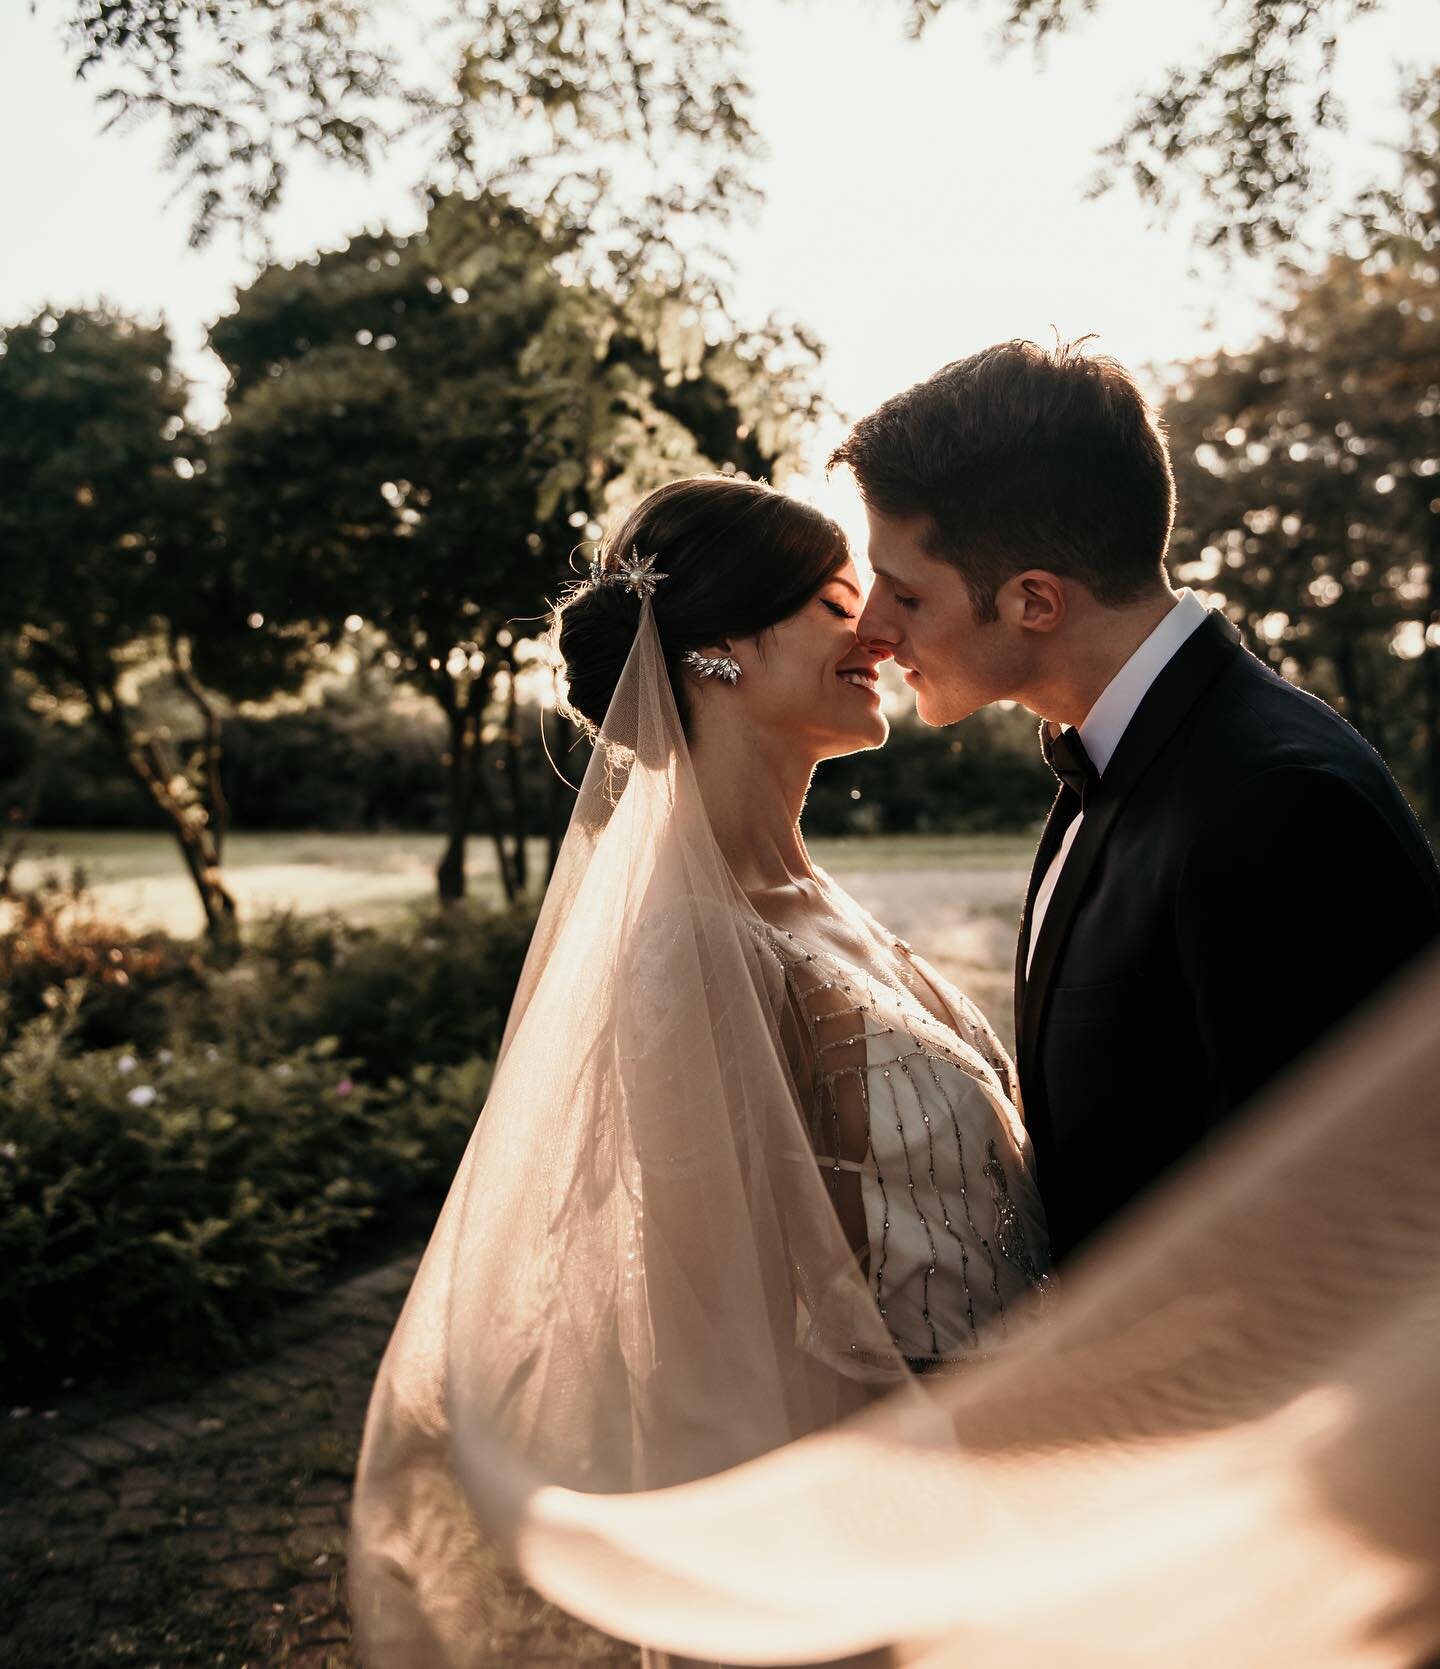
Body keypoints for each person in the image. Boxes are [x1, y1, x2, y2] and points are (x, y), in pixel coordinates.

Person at [348, 476, 1050, 1669]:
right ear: (720, 652)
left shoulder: (814, 901)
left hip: (1007, 1489)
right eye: (838, 601)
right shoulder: (687, 943)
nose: (881, 627)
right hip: (880, 1548)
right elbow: (716, 1339)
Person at [831, 339, 1440, 1261]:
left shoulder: (1275, 806)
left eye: (906, 594)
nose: (872, 626)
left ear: (1036, 599)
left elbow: (1326, 1243)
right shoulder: (1114, 758)